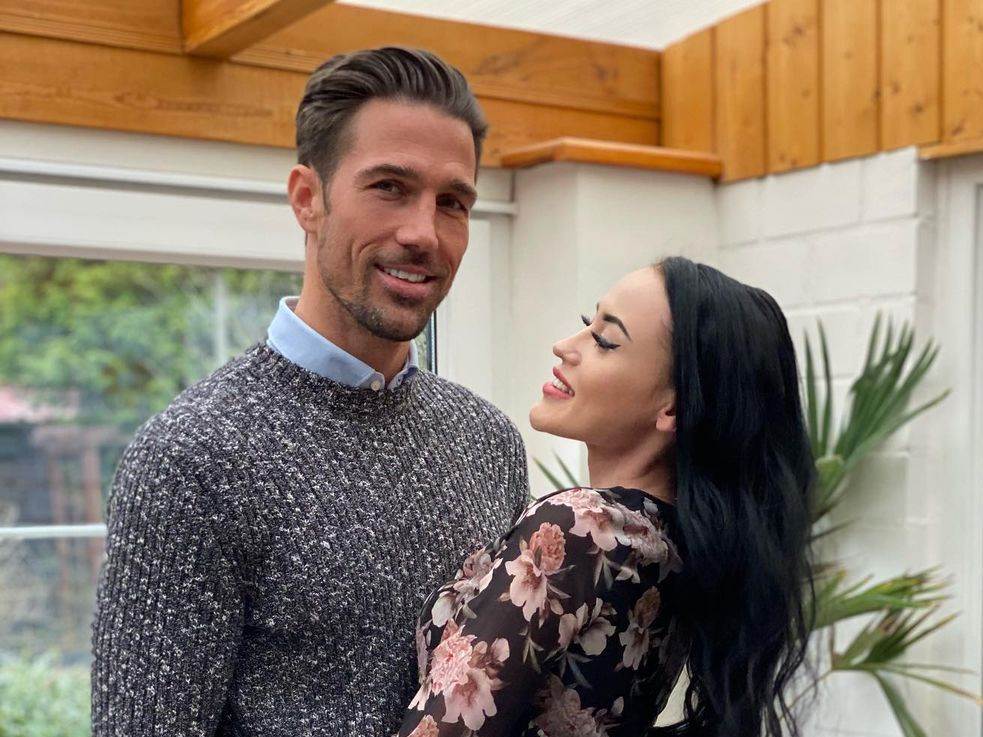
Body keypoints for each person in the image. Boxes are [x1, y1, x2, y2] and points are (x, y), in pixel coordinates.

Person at [91, 47, 529, 736]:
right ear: (307, 199)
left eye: (452, 202)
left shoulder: (489, 441)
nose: (423, 233)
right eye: (389, 187)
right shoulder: (193, 457)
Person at [397, 257, 816, 737]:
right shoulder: (671, 547)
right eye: (586, 323)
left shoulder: (580, 526)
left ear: (673, 407)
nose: (565, 346)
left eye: (604, 340)